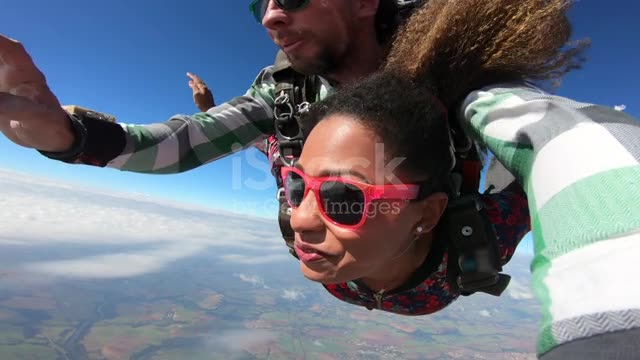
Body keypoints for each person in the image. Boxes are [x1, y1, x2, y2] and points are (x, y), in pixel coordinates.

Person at [0, 0, 638, 358]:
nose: (271, 16)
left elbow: (570, 141)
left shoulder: (465, 91)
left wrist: (610, 320)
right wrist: (66, 134)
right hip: (358, 268)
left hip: (435, 277)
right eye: (261, 2)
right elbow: (180, 144)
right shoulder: (283, 95)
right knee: (281, 150)